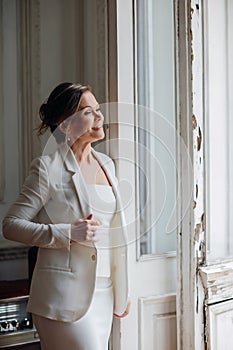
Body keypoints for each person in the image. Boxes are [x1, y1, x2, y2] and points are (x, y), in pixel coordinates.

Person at [3, 82, 130, 350]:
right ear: (64, 125)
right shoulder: (47, 169)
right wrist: (67, 233)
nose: (99, 116)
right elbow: (11, 226)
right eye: (88, 112)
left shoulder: (107, 164)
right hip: (62, 298)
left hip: (104, 293)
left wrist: (122, 290)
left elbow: (113, 233)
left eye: (98, 109)